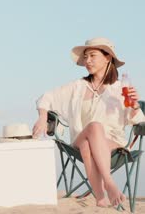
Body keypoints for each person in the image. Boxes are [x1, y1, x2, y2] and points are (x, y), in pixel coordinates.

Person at [32, 38, 145, 207]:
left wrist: (135, 106)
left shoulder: (120, 88)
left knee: (88, 144)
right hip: (79, 138)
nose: (87, 61)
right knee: (94, 127)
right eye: (86, 57)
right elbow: (46, 97)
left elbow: (138, 120)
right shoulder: (77, 87)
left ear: (108, 58)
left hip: (113, 144)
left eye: (92, 55)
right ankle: (109, 183)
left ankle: (100, 198)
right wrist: (42, 117)